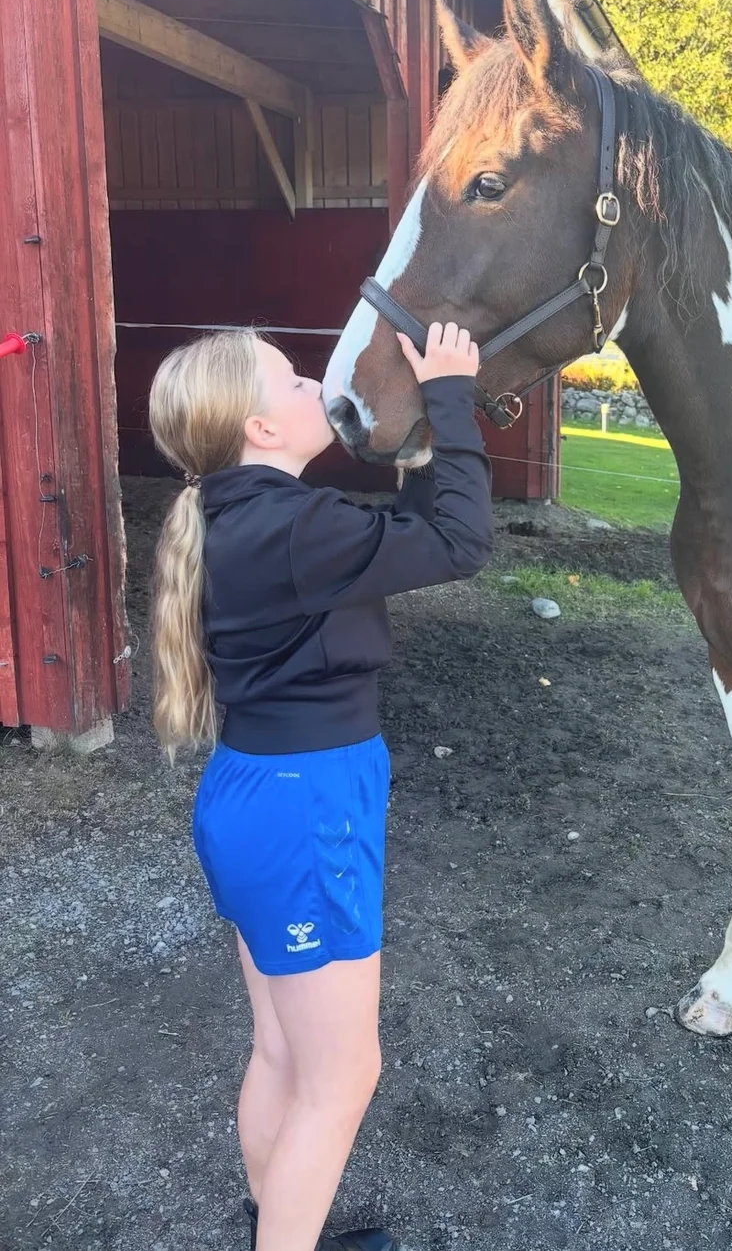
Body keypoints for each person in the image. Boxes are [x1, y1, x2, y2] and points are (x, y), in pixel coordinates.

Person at [148, 322, 493, 1251]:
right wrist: (451, 395)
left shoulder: (245, 517)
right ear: (260, 430)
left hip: (257, 797)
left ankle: (280, 1224)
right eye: (296, 380)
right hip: (305, 809)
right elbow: (459, 541)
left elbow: (413, 534)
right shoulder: (293, 529)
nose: (315, 387)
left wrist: (417, 429)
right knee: (343, 1078)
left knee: (283, 1050)